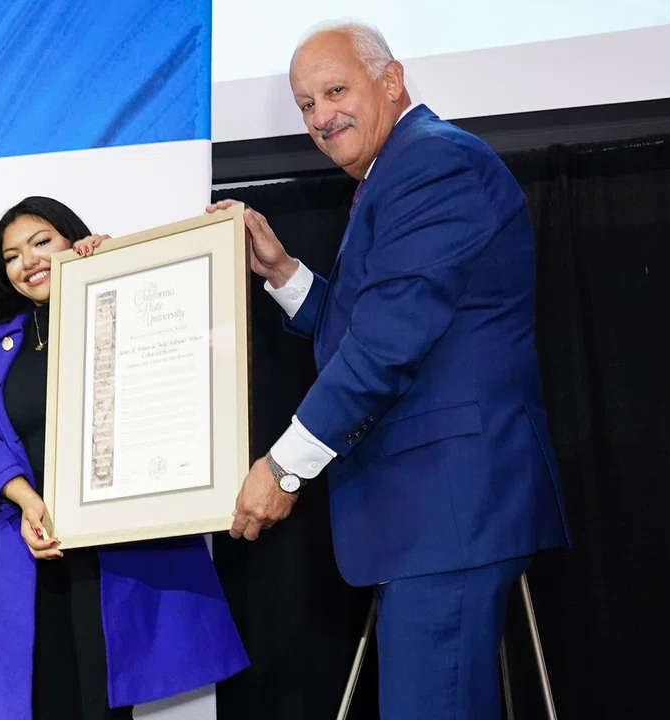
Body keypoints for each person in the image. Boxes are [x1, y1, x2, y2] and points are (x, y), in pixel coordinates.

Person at [211, 21, 571, 720]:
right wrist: (283, 273)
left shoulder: (433, 166)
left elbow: (384, 347)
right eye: (306, 105)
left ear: (392, 79)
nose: (321, 117)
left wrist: (284, 466)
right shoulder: (400, 171)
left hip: (449, 511)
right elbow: (373, 322)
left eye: (335, 90)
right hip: (428, 516)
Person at [0, 197, 249, 720]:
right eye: (12, 255)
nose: (29, 261)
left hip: (112, 545)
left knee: (103, 697)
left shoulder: (118, 306)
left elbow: (172, 358)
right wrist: (24, 500)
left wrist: (119, 271)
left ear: (71, 238)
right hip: (31, 543)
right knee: (43, 696)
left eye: (41, 242)